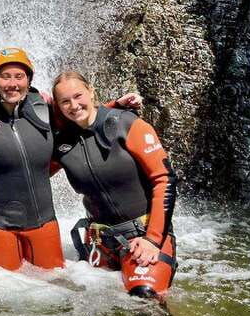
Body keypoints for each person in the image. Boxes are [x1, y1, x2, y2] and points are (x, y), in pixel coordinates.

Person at [0, 49, 143, 272]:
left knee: (56, 287)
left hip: (43, 222)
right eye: (5, 76)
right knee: (6, 294)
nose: (12, 83)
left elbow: (81, 114)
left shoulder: (45, 111)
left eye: (19, 76)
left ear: (29, 80)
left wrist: (115, 106)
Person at [51, 71, 177, 298]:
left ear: (91, 91)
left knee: (144, 299)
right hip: (99, 242)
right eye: (65, 101)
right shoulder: (62, 143)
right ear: (58, 107)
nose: (73, 105)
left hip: (142, 235)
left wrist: (152, 240)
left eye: (78, 95)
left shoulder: (127, 124)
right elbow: (29, 169)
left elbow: (164, 179)